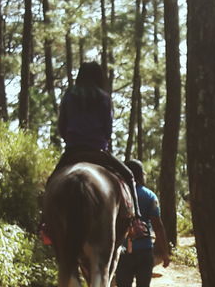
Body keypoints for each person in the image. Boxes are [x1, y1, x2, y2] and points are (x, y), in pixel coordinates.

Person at [42, 61, 145, 239]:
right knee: (128, 175)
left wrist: (71, 139)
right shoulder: (104, 98)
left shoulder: (69, 96)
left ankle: (44, 225)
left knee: (51, 182)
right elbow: (108, 129)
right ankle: (136, 221)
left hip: (73, 151)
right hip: (97, 150)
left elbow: (62, 125)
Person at [107, 159, 171, 287]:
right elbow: (158, 226)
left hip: (123, 251)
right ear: (141, 175)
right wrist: (165, 252)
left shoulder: (118, 195)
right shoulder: (149, 196)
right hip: (144, 251)